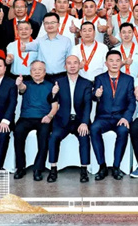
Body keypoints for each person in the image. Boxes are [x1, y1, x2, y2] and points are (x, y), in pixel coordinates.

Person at [46, 55, 94, 183]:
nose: (72, 66)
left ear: (79, 65)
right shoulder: (58, 82)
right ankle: (53, 169)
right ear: (65, 66)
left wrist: (84, 122)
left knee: (84, 137)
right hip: (62, 121)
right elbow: (50, 100)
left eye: (75, 63)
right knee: (53, 137)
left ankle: (84, 170)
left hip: (79, 120)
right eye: (69, 63)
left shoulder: (86, 83)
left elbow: (88, 104)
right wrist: (53, 93)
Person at [91, 51, 136, 181]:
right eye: (111, 60)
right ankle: (102, 166)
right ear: (106, 63)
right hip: (103, 117)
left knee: (123, 131)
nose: (114, 63)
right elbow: (93, 96)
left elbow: (131, 102)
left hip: (120, 117)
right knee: (93, 129)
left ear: (121, 63)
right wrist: (96, 95)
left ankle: (116, 167)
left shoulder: (128, 79)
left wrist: (126, 117)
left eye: (117, 60)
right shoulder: (99, 78)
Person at [12, 61, 59, 181]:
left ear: (45, 72)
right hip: (26, 118)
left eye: (40, 69)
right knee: (17, 133)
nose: (37, 72)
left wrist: (49, 116)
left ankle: (38, 169)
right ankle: (20, 167)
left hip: (43, 118)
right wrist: (19, 84)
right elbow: (22, 89)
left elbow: (55, 106)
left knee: (43, 139)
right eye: (34, 70)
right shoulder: (26, 84)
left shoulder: (51, 86)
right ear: (30, 72)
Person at [23, 13, 74, 82]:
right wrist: (23, 45)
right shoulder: (39, 41)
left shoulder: (66, 41)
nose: (49, 25)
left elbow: (69, 59)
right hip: (44, 77)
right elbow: (26, 47)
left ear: (58, 24)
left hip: (61, 76)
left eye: (52, 23)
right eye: (47, 23)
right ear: (43, 25)